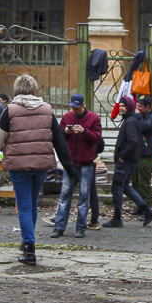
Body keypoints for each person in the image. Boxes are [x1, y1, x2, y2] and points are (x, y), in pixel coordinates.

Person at [0, 74, 73, 265]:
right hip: (41, 164)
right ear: (34, 89)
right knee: (32, 203)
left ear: (16, 90)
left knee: (24, 205)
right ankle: (28, 240)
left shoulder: (10, 111)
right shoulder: (47, 110)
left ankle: (29, 247)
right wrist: (68, 164)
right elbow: (58, 139)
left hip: (18, 165)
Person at [52, 94, 103, 238]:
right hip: (70, 164)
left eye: (77, 108)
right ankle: (59, 227)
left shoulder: (94, 118)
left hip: (86, 163)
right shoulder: (66, 118)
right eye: (72, 107)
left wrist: (84, 131)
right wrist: (65, 132)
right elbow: (59, 138)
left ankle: (80, 227)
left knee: (84, 197)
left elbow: (98, 138)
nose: (74, 110)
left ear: (83, 105)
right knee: (64, 196)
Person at [103, 96, 152, 228]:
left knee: (117, 187)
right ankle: (147, 209)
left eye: (123, 106)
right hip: (129, 159)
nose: (121, 108)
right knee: (125, 187)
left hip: (126, 160)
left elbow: (133, 141)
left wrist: (122, 156)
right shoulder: (131, 120)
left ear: (129, 107)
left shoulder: (130, 121)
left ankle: (117, 218)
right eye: (120, 106)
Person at [131, 96, 152, 210]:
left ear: (148, 107)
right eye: (137, 106)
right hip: (135, 154)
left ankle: (148, 208)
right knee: (135, 182)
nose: (138, 109)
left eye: (140, 106)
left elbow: (143, 127)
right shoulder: (138, 116)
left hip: (146, 155)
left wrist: (137, 116)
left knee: (144, 183)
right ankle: (139, 206)